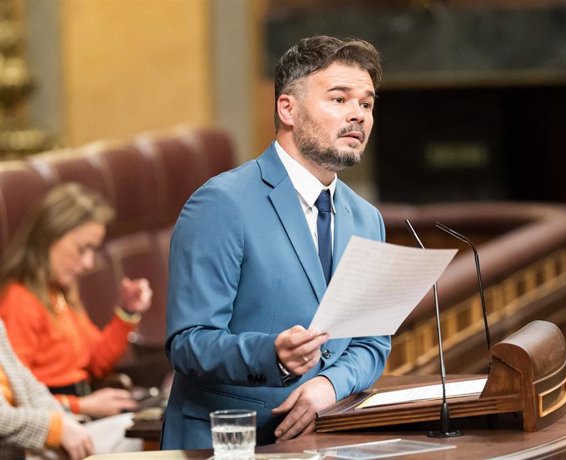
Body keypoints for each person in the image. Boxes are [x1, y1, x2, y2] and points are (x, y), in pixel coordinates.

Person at [162, 35, 391, 449]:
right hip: (227, 443)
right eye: (339, 100)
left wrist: (328, 385)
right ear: (288, 108)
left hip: (325, 440)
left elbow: (371, 342)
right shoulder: (221, 203)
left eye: (366, 104)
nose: (357, 115)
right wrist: (272, 355)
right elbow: (188, 342)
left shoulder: (367, 219)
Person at [0, 182, 152, 420]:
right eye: (82, 249)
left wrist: (127, 311)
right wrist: (80, 405)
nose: (89, 264)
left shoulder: (60, 293)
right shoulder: (19, 301)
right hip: (59, 424)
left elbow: (97, 362)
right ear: (50, 236)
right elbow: (14, 397)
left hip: (83, 413)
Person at [0, 318, 93, 460]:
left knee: (125, 430)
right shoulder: (20, 303)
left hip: (39, 430)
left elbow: (27, 382)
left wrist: (63, 421)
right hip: (20, 445)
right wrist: (55, 427)